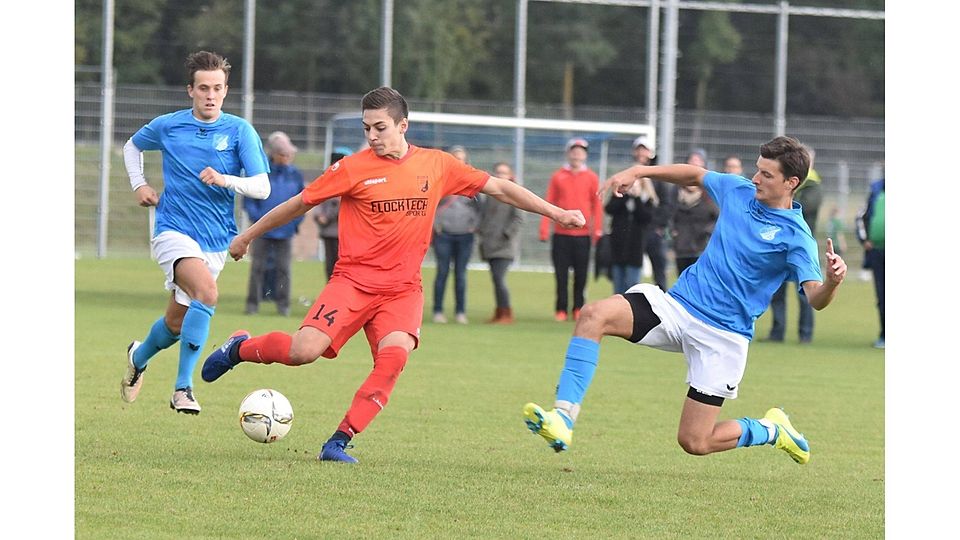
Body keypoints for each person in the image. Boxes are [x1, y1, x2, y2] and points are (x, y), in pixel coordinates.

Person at [201, 87, 585, 463]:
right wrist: (247, 236)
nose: (372, 136)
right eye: (367, 128)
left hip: (402, 290)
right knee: (303, 352)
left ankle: (339, 441)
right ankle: (238, 348)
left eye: (380, 127)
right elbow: (299, 204)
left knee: (393, 359)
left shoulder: (437, 165)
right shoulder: (352, 168)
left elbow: (500, 188)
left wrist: (557, 213)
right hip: (351, 283)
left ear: (403, 125)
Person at [523, 136, 847, 467]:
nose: (755, 178)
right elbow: (694, 175)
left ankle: (772, 429)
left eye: (766, 174)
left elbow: (815, 298)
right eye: (757, 170)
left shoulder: (797, 236)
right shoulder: (738, 191)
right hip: (677, 309)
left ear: (791, 183)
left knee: (695, 441)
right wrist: (639, 171)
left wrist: (832, 282)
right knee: (594, 314)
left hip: (723, 337)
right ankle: (563, 419)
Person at [119, 51, 271, 414]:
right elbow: (132, 145)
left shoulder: (239, 131)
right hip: (173, 230)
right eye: (203, 88)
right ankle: (182, 389)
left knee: (175, 323)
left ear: (226, 90)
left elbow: (262, 187)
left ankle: (138, 356)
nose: (210, 95)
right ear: (190, 90)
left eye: (217, 88)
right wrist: (139, 184)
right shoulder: (169, 126)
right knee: (207, 292)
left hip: (217, 239)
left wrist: (225, 180)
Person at [539, 137, 604, 322]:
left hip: (582, 235)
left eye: (581, 151)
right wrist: (544, 229)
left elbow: (597, 206)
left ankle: (578, 307)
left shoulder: (591, 177)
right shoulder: (558, 176)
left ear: (585, 155)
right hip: (561, 234)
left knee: (581, 274)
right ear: (568, 153)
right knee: (560, 274)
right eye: (574, 150)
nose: (577, 154)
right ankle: (560, 309)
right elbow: (548, 203)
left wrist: (597, 230)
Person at [765, 146, 823, 344]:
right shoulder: (783, 184)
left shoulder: (813, 186)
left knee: (807, 292)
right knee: (777, 292)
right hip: (779, 245)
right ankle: (777, 332)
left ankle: (805, 334)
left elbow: (805, 208)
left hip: (801, 247)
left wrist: (786, 197)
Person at [244, 131, 305, 317]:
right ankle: (252, 304)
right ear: (273, 154)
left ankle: (283, 305)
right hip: (262, 230)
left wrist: (294, 222)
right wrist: (258, 220)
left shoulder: (295, 175)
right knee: (257, 268)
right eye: (282, 154)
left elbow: (303, 200)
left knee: (284, 269)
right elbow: (249, 199)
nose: (287, 158)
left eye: (289, 154)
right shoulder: (261, 173)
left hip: (285, 231)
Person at [431, 145, 482, 324]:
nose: (459, 162)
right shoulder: (440, 181)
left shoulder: (473, 182)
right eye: (455, 158)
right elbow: (431, 205)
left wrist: (473, 227)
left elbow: (479, 210)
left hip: (465, 236)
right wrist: (436, 226)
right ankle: (438, 310)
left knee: (460, 274)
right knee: (442, 272)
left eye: (462, 159)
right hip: (443, 235)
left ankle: (460, 311)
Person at [477, 162, 524, 324]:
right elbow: (483, 216)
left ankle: (506, 313)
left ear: (511, 175)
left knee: (499, 278)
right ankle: (499, 312)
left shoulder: (514, 193)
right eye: (498, 172)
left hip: (504, 246)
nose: (500, 175)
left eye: (504, 172)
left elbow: (518, 219)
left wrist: (506, 234)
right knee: (496, 279)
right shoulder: (490, 196)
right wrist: (481, 230)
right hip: (490, 245)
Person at [603, 171, 656, 295]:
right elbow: (609, 209)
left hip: (635, 249)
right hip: (618, 247)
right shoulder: (619, 196)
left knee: (632, 285)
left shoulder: (647, 200)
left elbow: (645, 217)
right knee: (618, 286)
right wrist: (625, 196)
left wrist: (637, 198)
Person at [634, 135, 675, 292]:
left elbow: (667, 205)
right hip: (636, 231)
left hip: (653, 231)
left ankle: (663, 304)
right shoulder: (629, 175)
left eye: (644, 150)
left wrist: (658, 226)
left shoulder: (658, 176)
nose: (641, 153)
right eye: (639, 150)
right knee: (633, 271)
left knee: (659, 272)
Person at [672, 149, 719, 275]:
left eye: (698, 163)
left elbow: (717, 218)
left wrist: (707, 232)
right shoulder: (675, 192)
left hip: (701, 247)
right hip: (681, 248)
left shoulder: (710, 194)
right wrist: (673, 232)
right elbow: (669, 215)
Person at [313, 146, 354, 282]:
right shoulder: (326, 179)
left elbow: (343, 205)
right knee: (330, 265)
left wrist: (328, 216)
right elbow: (317, 200)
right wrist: (319, 216)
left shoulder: (350, 180)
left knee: (342, 266)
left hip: (344, 232)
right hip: (329, 232)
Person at [856, 176, 885, 349]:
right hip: (878, 252)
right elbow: (861, 216)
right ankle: (884, 335)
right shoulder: (876, 191)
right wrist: (864, 239)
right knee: (882, 296)